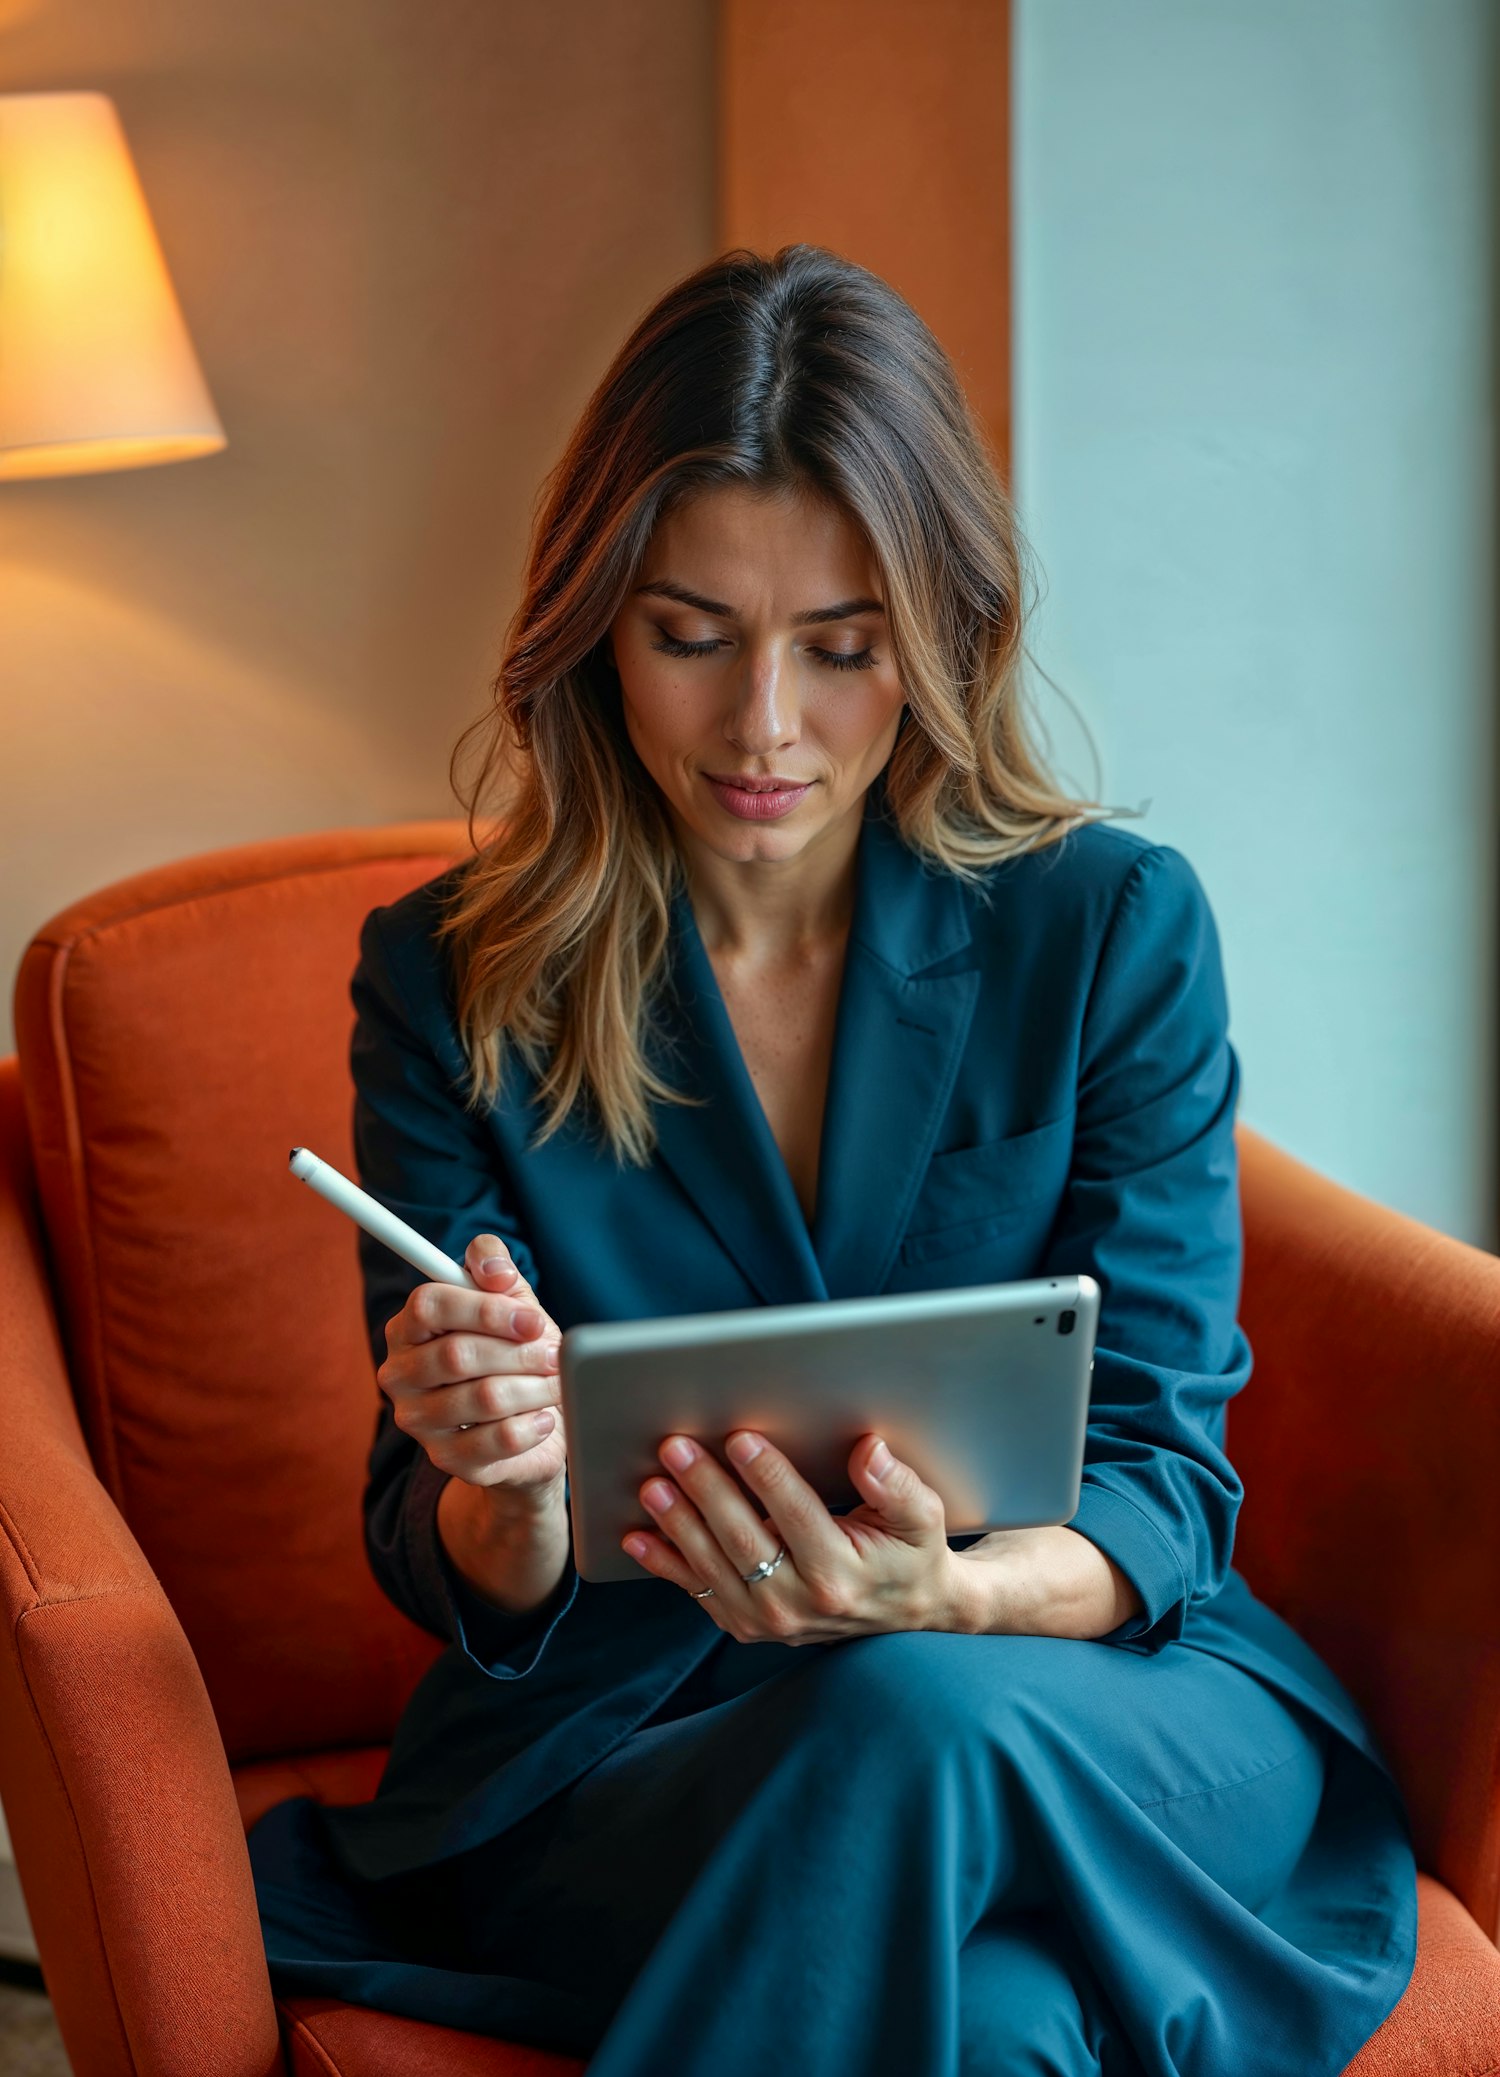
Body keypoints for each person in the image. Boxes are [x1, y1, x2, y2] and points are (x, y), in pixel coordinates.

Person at [248, 244, 1418, 2076]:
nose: (764, 727)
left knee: (907, 1711)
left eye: (842, 646)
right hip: (641, 1753)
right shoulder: (453, 979)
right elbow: (455, 1554)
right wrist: (513, 1484)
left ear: (938, 631)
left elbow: (1165, 1485)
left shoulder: (1112, 931)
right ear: (593, 626)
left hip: (1092, 1693)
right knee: (1009, 2024)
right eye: (691, 634)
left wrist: (940, 1596)